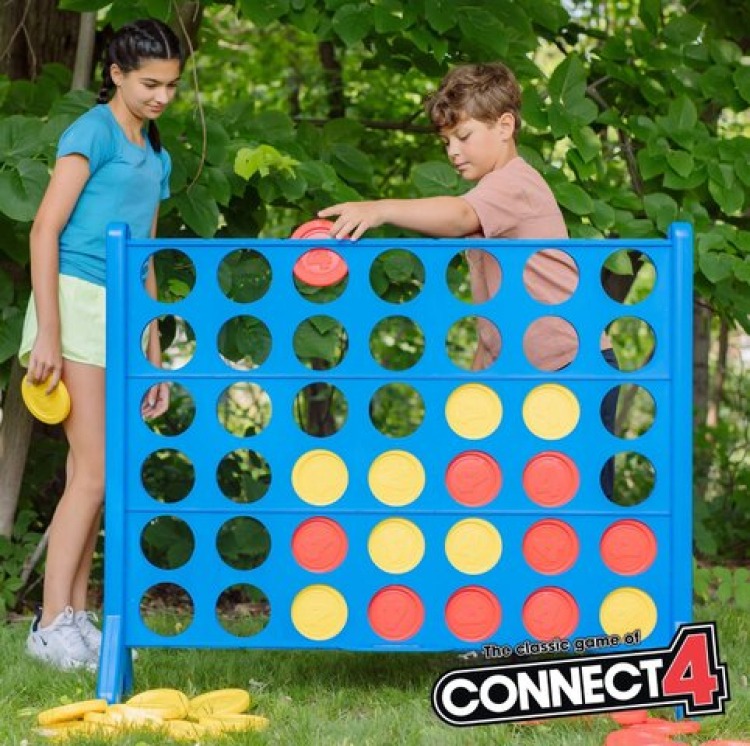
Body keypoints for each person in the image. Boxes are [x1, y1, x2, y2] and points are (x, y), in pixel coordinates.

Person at [320, 62, 618, 491]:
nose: (453, 151)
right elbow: (494, 313)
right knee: (512, 494)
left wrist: (380, 208)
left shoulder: (515, 183)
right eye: (446, 141)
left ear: (505, 126)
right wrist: (476, 386)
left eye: (463, 136)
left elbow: (459, 215)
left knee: (575, 501)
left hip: (575, 366)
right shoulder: (490, 198)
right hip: (525, 370)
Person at [18, 18, 183, 671]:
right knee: (95, 472)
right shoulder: (92, 133)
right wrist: (49, 331)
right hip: (75, 305)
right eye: (150, 84)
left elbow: (145, 259)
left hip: (124, 317)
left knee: (95, 474)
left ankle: (76, 615)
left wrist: (154, 354)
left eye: (171, 86)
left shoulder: (156, 155)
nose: (161, 96)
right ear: (116, 74)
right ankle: (49, 624)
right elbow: (44, 231)